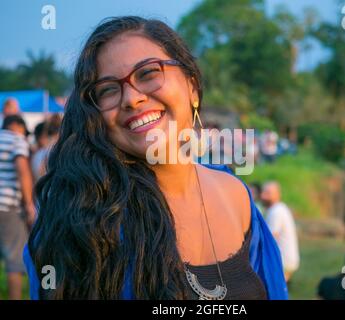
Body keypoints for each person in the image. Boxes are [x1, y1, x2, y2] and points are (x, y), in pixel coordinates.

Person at [24, 16, 287, 300]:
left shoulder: (237, 196)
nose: (131, 98)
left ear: (192, 86)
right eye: (109, 89)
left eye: (148, 73)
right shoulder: (84, 218)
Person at [0, 115, 35, 299]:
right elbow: (22, 171)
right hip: (8, 207)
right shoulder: (16, 140)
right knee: (14, 261)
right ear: (17, 126)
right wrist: (29, 203)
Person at [261, 181, 299, 282]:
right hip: (288, 260)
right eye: (263, 192)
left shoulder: (276, 211)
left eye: (268, 193)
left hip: (283, 262)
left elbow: (270, 240)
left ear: (277, 194)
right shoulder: (279, 208)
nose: (263, 196)